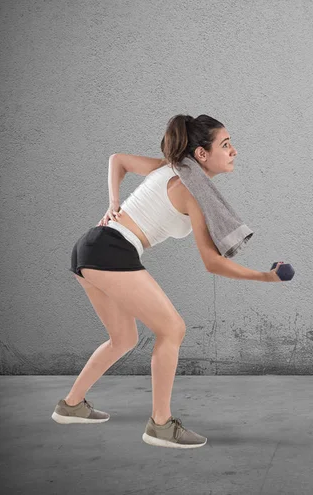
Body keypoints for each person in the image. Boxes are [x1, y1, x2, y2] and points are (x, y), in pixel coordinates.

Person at [52, 114, 285, 449]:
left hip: (92, 246)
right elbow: (212, 263)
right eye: (225, 144)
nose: (234, 151)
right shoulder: (192, 190)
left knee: (123, 338)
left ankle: (71, 405)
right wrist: (266, 275)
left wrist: (114, 201)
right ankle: (160, 425)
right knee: (172, 329)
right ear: (202, 155)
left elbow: (118, 161)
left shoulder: (171, 168)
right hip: (111, 250)